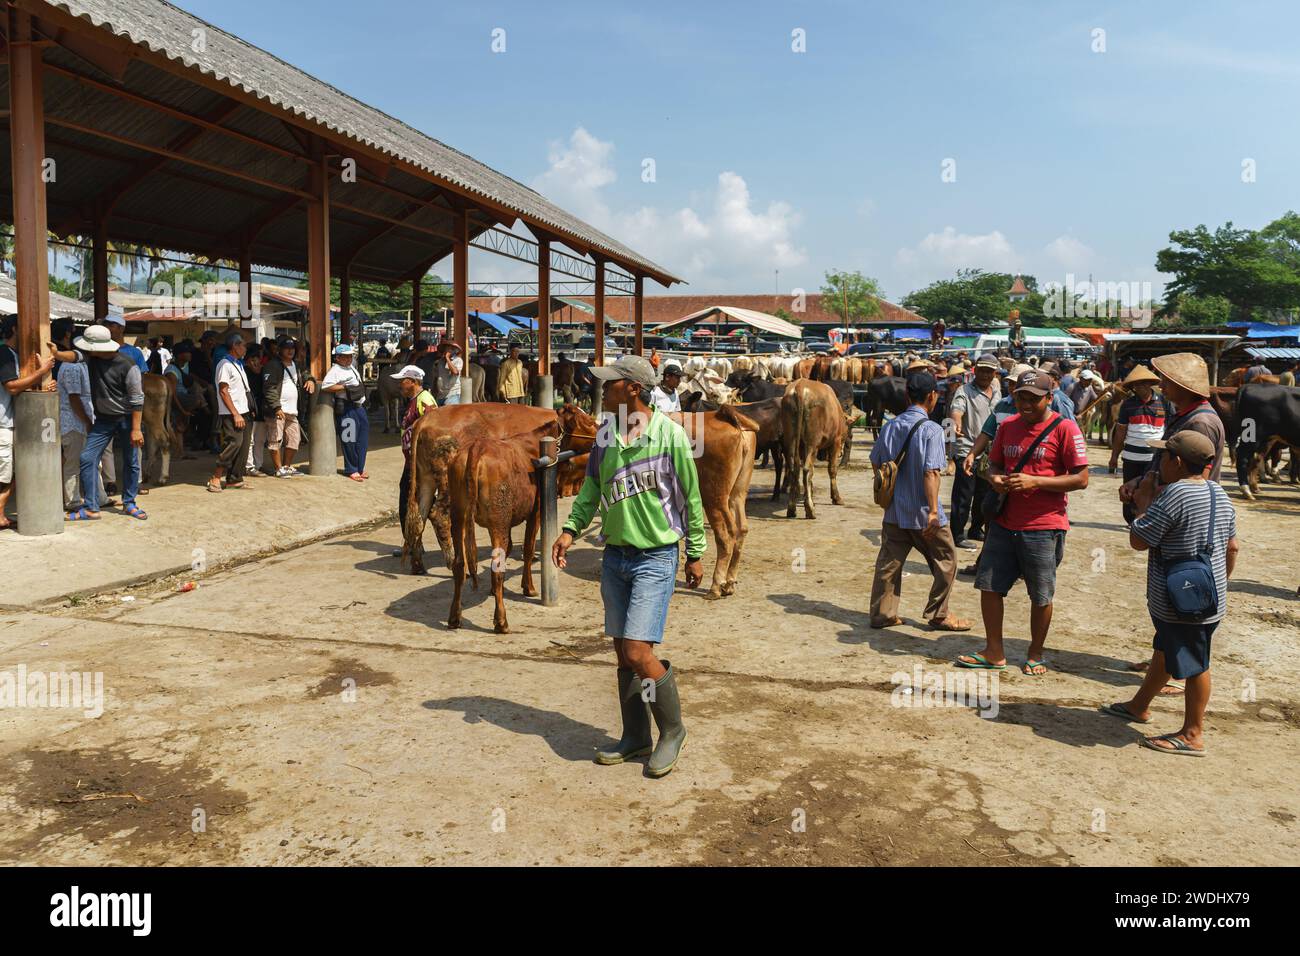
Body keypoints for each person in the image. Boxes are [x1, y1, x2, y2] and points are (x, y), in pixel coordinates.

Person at [551, 354, 705, 779]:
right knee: (623, 652)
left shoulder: (671, 437)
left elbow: (691, 498)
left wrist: (695, 551)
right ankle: (635, 736)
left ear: (632, 388)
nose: (602, 388)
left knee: (639, 651)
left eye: (610, 383)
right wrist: (570, 530)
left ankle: (672, 731)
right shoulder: (605, 437)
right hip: (615, 556)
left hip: (656, 556)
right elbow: (592, 489)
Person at [1102, 431, 1238, 756]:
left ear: (1176, 462)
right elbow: (1232, 546)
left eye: (1163, 456)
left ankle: (1192, 733)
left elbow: (1139, 540)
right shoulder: (1220, 493)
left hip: (1181, 601)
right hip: (1208, 595)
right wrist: (1218, 582)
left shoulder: (1174, 494)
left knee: (1196, 664)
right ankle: (1139, 705)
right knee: (1165, 650)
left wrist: (1143, 503)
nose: (1160, 461)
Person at [956, 370, 1089, 674]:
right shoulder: (1008, 426)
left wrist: (1035, 482)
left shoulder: (1065, 428)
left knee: (1040, 594)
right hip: (1004, 521)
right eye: (1021, 398)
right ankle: (994, 651)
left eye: (1033, 399)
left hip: (1044, 525)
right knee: (989, 586)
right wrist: (994, 478)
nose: (1026, 404)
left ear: (1049, 398)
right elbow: (994, 463)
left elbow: (1081, 478)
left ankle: (1035, 652)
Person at [868, 371, 971, 632]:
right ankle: (939, 614)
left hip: (895, 511)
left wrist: (891, 487)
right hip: (924, 514)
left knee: (889, 564)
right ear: (932, 397)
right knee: (946, 561)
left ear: (906, 395)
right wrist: (934, 511)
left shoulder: (890, 426)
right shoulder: (932, 430)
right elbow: (931, 472)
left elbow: (876, 462)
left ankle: (883, 614)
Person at [74, 324, 146, 521]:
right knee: (87, 458)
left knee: (131, 461)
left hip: (127, 419)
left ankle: (129, 502)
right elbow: (73, 357)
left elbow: (137, 399)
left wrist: (136, 429)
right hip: (104, 420)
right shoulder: (92, 359)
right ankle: (91, 507)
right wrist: (55, 353)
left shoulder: (129, 366)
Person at [1, 315, 59, 529]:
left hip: (10, 422)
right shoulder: (4, 354)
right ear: (16, 328)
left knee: (12, 472)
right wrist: (41, 372)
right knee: (4, 475)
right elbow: (13, 387)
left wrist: (44, 383)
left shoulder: (16, 355)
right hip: (2, 424)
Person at [949, 354, 1000, 547]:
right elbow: (957, 410)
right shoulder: (964, 390)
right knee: (963, 495)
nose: (985, 375)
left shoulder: (997, 392)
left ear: (995, 373)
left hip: (988, 453)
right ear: (975, 371)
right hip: (967, 448)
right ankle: (957, 534)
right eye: (982, 370)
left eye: (989, 371)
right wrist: (956, 424)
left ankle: (975, 529)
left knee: (983, 495)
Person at [51, 319, 99, 516]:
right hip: (74, 421)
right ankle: (71, 501)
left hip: (75, 419)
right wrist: (87, 420)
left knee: (79, 461)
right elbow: (74, 398)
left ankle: (95, 497)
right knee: (72, 463)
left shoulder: (75, 364)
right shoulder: (72, 365)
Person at [1109, 364, 1167, 523]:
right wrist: (1114, 456)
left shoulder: (1163, 402)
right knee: (1129, 491)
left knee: (1153, 490)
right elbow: (1120, 433)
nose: (1138, 387)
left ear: (1149, 384)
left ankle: (1149, 520)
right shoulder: (1128, 405)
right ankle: (1130, 520)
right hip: (1131, 457)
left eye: (1142, 383)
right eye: (1135, 384)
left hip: (1154, 458)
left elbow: (1170, 429)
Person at [391, 364, 436, 535]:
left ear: (413, 382)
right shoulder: (415, 400)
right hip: (412, 460)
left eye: (403, 381)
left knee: (410, 501)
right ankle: (412, 540)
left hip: (420, 463)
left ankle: (412, 541)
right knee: (413, 500)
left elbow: (432, 429)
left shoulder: (425, 400)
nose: (400, 385)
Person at [208, 332, 253, 493]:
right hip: (231, 412)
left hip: (243, 410)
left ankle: (235, 478)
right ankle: (216, 477)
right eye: (243, 345)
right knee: (233, 443)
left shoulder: (238, 364)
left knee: (243, 445)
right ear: (235, 346)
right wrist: (235, 413)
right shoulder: (225, 365)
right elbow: (223, 391)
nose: (245, 348)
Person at [321, 342, 370, 481]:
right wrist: (344, 387)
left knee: (362, 439)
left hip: (359, 406)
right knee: (349, 439)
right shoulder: (335, 370)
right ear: (338, 358)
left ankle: (360, 467)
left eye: (350, 356)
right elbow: (326, 386)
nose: (348, 359)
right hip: (347, 407)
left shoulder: (351, 368)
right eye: (345, 357)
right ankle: (352, 469)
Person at [243, 344, 268, 477]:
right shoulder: (244, 371)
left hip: (262, 409)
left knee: (260, 440)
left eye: (259, 357)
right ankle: (249, 466)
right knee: (251, 440)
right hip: (251, 408)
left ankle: (258, 465)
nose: (257, 361)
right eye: (254, 358)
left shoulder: (264, 371)